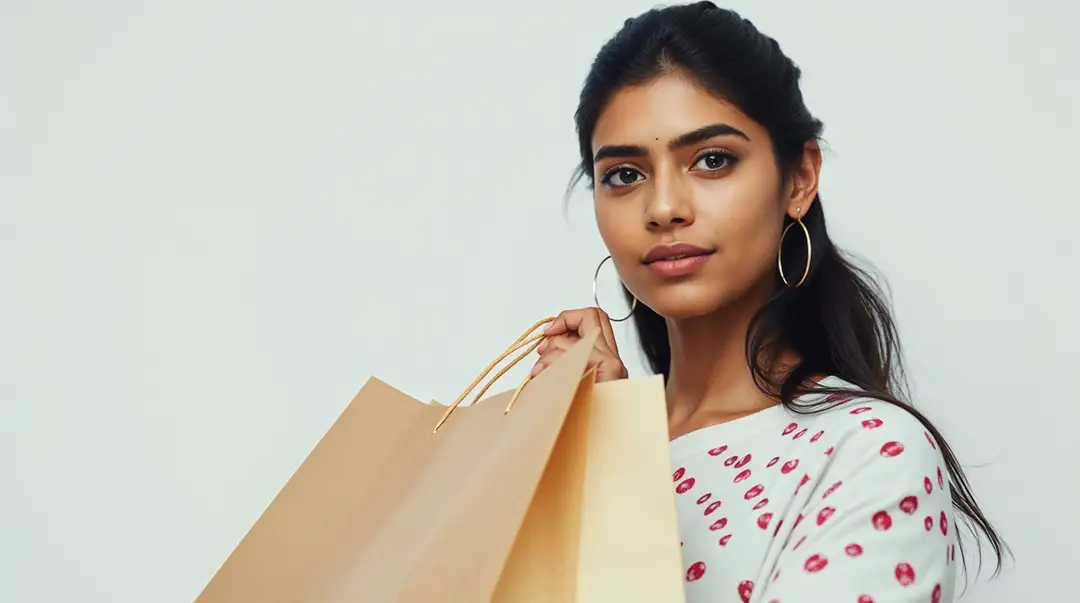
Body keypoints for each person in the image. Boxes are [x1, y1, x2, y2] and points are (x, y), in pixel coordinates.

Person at [530, 3, 1007, 602]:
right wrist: (598, 443)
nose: (663, 207)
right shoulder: (570, 455)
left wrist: (615, 477)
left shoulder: (869, 454)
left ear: (800, 179)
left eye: (712, 160)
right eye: (625, 174)